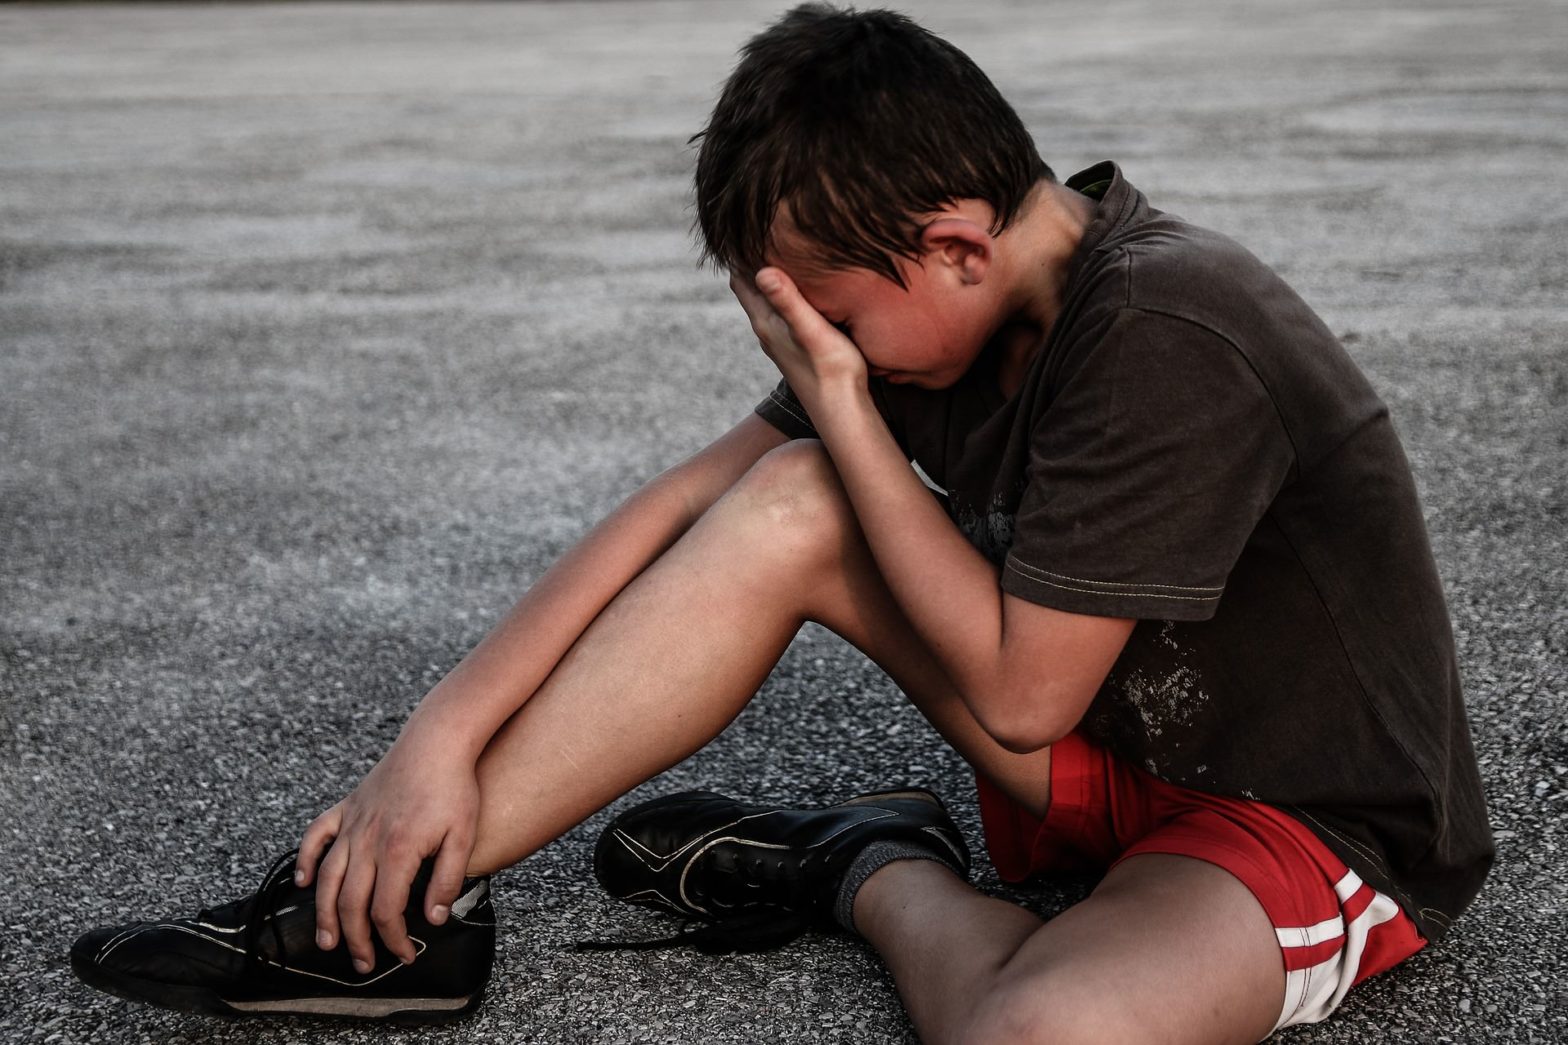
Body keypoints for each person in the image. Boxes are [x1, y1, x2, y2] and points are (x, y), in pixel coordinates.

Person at [70, 4, 1493, 1041]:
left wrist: (844, 401)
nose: (831, 356)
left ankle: (868, 865)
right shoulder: (941, 313)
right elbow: (690, 506)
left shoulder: (1172, 329)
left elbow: (1018, 690)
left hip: (1299, 819)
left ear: (954, 241)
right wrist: (432, 743)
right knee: (788, 497)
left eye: (840, 322)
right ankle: (380, 917)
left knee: (1033, 1035)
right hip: (1108, 747)